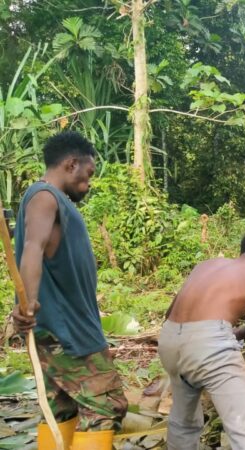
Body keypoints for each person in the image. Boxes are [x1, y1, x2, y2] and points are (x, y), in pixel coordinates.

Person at [9, 131, 127, 450]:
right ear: (71, 164)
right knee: (106, 404)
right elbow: (34, 247)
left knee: (62, 407)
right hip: (69, 330)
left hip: (65, 326)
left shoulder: (51, 200)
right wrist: (28, 302)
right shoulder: (45, 197)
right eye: (87, 175)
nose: (88, 185)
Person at [158, 226, 245, 450]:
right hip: (209, 343)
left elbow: (170, 313)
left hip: (169, 340)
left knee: (183, 422)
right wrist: (226, 333)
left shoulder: (205, 265)